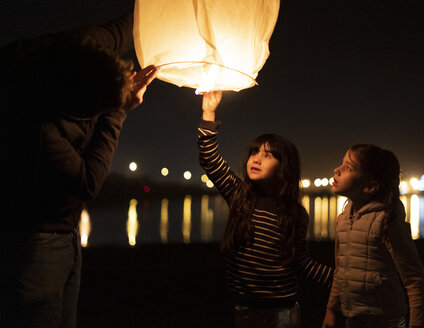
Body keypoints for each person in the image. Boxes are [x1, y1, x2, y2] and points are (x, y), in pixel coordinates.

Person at [0, 6, 159, 328]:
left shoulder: (87, 46)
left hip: (65, 230)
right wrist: (118, 112)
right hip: (32, 239)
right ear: (74, 102)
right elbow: (87, 182)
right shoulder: (35, 124)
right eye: (95, 110)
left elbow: (134, 23)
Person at [198, 91, 333, 327]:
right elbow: (210, 158)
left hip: (283, 312)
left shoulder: (296, 214)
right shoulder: (239, 194)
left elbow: (300, 261)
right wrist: (208, 112)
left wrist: (340, 279)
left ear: (285, 167)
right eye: (254, 152)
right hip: (243, 308)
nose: (256, 159)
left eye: (267, 155)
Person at [322, 144, 424, 328]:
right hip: (352, 320)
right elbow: (341, 270)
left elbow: (414, 280)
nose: (336, 170)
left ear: (370, 186)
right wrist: (331, 310)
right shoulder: (343, 220)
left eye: (347, 167)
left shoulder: (387, 222)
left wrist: (417, 324)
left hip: (387, 321)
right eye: (341, 164)